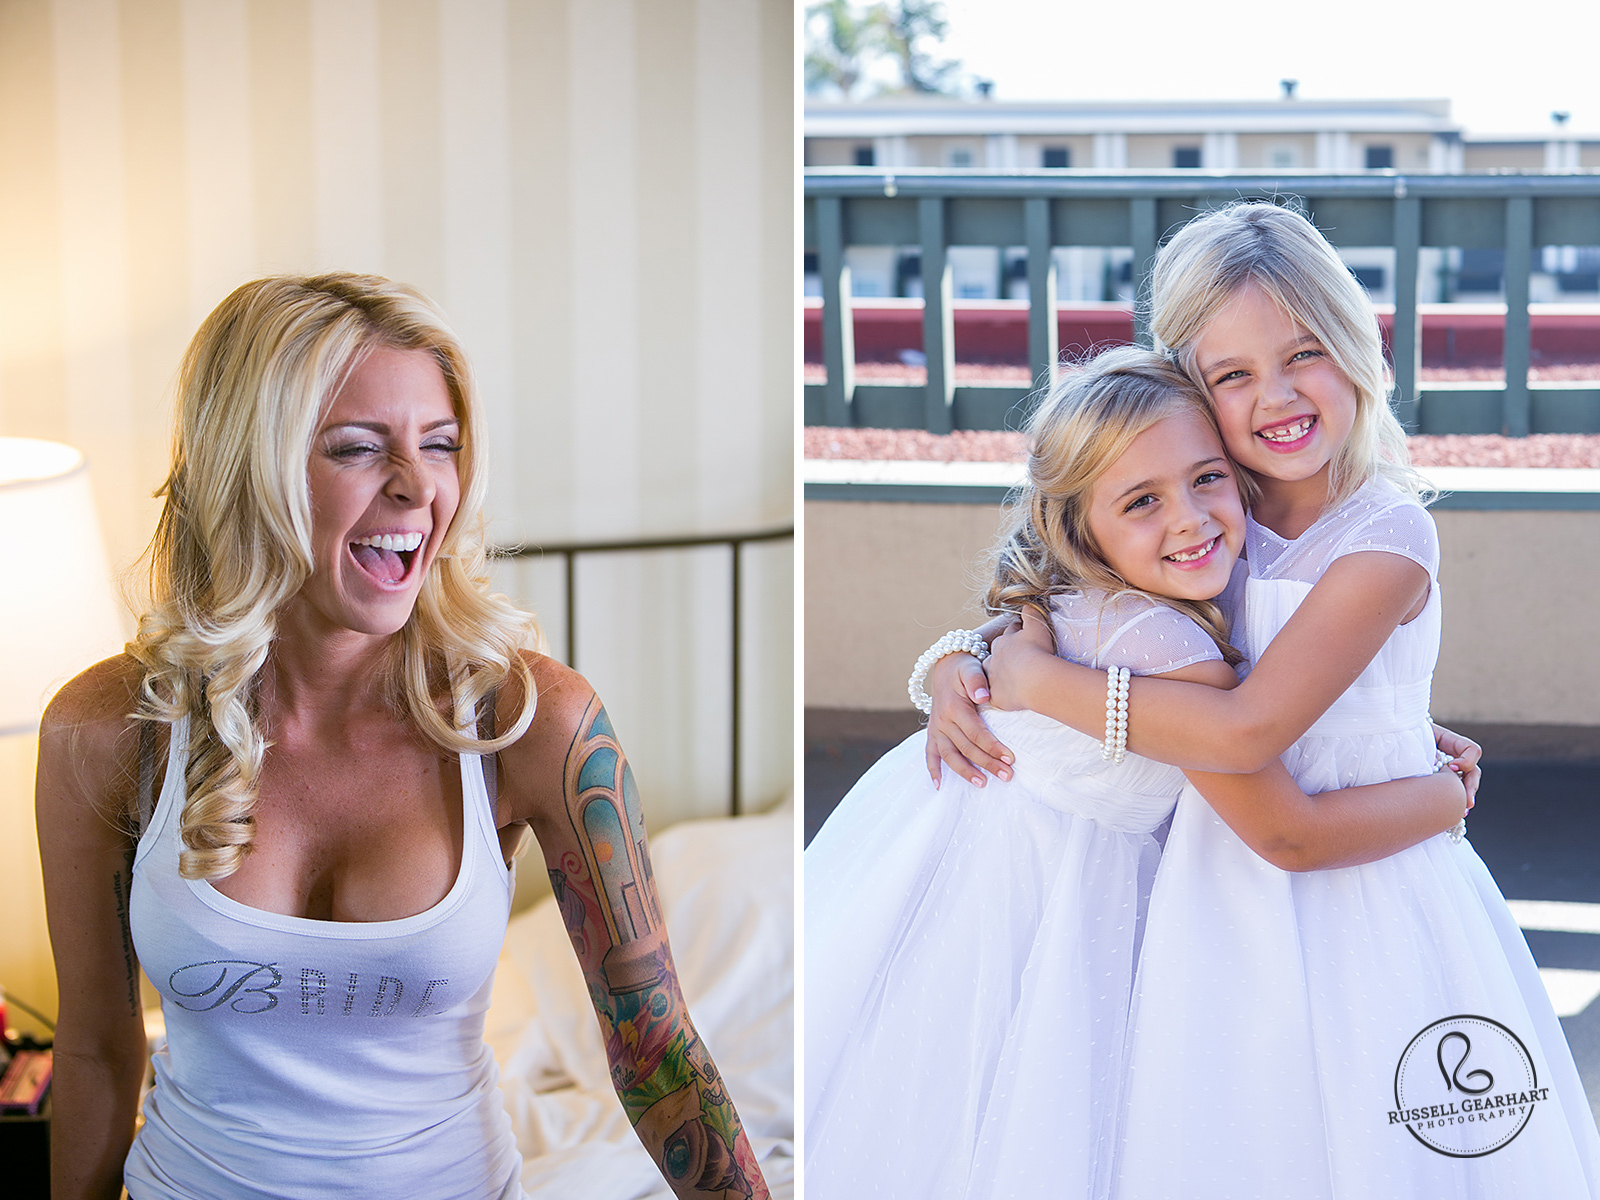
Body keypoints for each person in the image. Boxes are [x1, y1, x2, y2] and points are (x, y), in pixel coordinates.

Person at [36, 273, 770, 1200]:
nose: (420, 488)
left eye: (442, 445)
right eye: (355, 448)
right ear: (246, 470)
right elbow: (98, 1050)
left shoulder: (529, 725)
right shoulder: (107, 731)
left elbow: (655, 1047)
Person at [929, 203, 1600, 1196]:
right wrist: (961, 658)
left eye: (1303, 355)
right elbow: (1061, 598)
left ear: (1356, 346)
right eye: (1229, 375)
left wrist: (1439, 796)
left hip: (1357, 882)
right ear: (1185, 387)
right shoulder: (1201, 504)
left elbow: (1246, 730)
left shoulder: (1382, 539)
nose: (1274, 398)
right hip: (1207, 882)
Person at [804, 346, 1472, 1200]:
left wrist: (958, 660)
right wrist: (1444, 792)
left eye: (1207, 480)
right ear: (1080, 528)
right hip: (1037, 915)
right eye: (1142, 501)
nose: (1190, 520)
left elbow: (1022, 646)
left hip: (958, 890)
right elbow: (1283, 826)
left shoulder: (1083, 602)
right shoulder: (1170, 648)